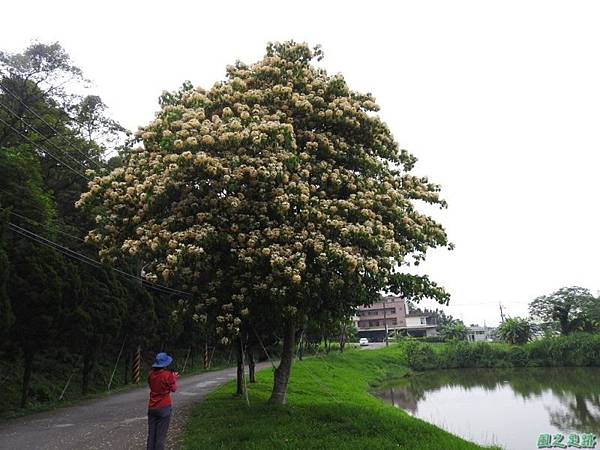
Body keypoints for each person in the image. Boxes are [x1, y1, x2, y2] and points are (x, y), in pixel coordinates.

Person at [147, 352, 178, 450]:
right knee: (161, 436)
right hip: (164, 407)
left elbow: (153, 384)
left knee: (151, 435)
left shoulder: (150, 374)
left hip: (152, 407)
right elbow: (173, 389)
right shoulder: (168, 375)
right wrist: (174, 377)